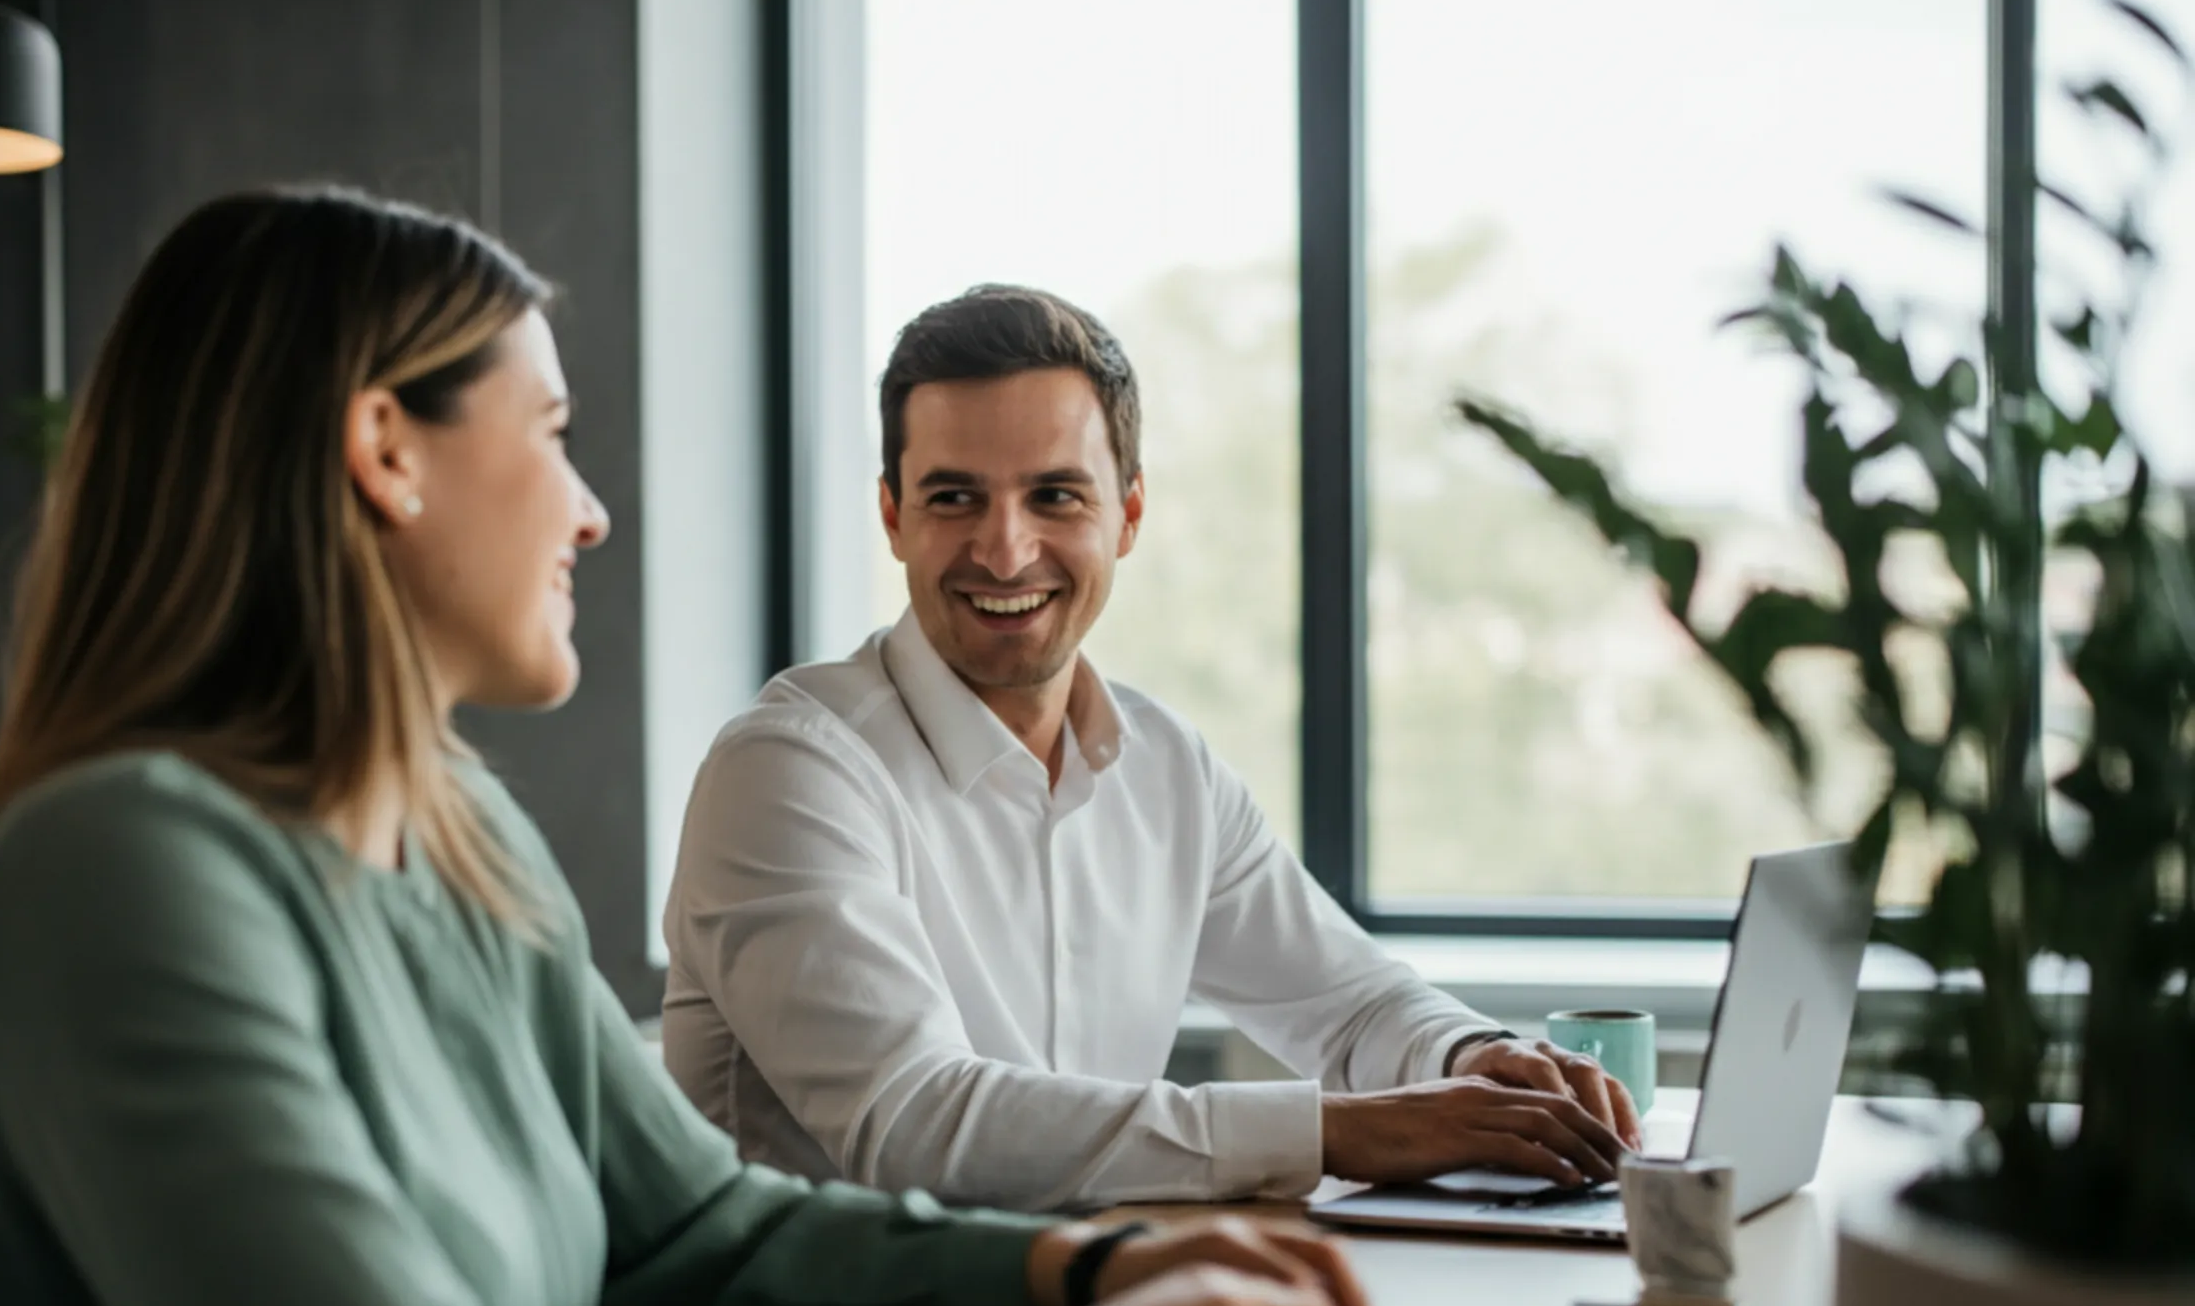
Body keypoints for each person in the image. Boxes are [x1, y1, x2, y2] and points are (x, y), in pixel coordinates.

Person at [0, 192, 1393, 1306]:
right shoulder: (120, 874)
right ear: (385, 448)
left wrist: (1087, 1267)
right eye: (556, 437)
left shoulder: (461, 835)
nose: (590, 514)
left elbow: (691, 1232)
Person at [664, 285, 1643, 1213]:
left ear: (1128, 514)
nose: (1005, 551)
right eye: (955, 498)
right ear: (893, 517)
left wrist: (1475, 1059)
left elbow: (1345, 1005)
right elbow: (915, 1124)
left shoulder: (1165, 767)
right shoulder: (790, 770)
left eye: (1055, 496)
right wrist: (1340, 1133)